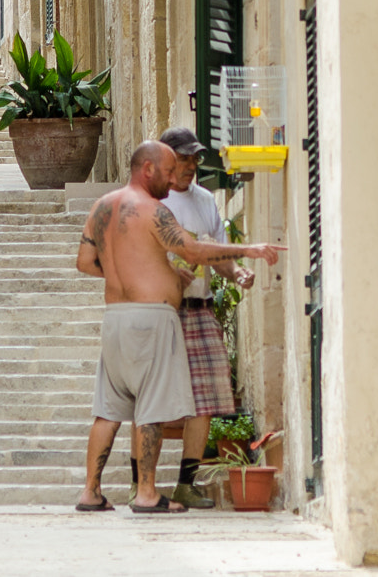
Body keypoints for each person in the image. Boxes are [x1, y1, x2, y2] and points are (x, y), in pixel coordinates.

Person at [73, 141, 279, 513]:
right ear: (147, 169)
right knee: (149, 407)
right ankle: (147, 494)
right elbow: (193, 251)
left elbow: (85, 262)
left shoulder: (102, 207)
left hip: (116, 318)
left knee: (108, 410)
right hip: (151, 321)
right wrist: (248, 249)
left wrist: (143, 272)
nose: (172, 180)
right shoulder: (155, 211)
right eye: (168, 171)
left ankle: (91, 491)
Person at [157, 126, 249, 510]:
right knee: (153, 399)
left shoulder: (207, 200)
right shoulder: (153, 203)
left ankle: (186, 484)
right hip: (161, 310)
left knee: (207, 400)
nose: (192, 165)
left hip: (200, 306)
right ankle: (139, 483)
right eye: (184, 158)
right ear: (165, 160)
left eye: (195, 158)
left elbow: (216, 253)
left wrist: (238, 272)